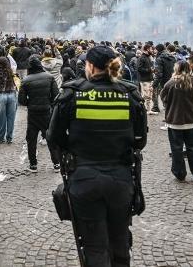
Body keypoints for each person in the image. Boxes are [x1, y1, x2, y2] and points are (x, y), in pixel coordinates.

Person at [47, 45, 147, 267]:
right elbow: (140, 140)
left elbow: (53, 136)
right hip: (121, 179)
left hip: (83, 178)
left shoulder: (72, 93)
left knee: (93, 246)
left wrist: (72, 149)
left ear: (90, 66)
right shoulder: (129, 94)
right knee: (120, 241)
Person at [160, 60, 193, 182]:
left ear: (176, 69)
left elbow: (163, 98)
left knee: (176, 149)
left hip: (174, 122)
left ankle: (179, 174)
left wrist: (170, 106)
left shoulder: (170, 84)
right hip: (192, 121)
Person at [18, 55, 60, 172]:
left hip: (32, 113)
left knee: (31, 139)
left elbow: (21, 100)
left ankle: (33, 165)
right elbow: (56, 95)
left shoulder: (25, 80)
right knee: (50, 137)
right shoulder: (50, 77)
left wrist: (30, 103)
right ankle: (56, 163)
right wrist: (49, 103)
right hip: (47, 111)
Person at [152, 44, 176, 113]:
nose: (154, 51)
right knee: (171, 98)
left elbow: (159, 74)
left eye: (155, 50)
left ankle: (168, 116)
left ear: (158, 50)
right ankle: (171, 114)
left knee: (164, 98)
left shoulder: (159, 59)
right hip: (172, 80)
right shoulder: (173, 57)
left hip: (163, 82)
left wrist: (154, 84)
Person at [137, 43, 155, 114]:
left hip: (150, 79)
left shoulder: (148, 57)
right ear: (147, 49)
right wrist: (149, 70)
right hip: (144, 80)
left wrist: (152, 70)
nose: (152, 50)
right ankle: (142, 109)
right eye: (151, 49)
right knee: (145, 95)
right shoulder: (142, 58)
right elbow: (139, 69)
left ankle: (148, 110)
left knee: (149, 96)